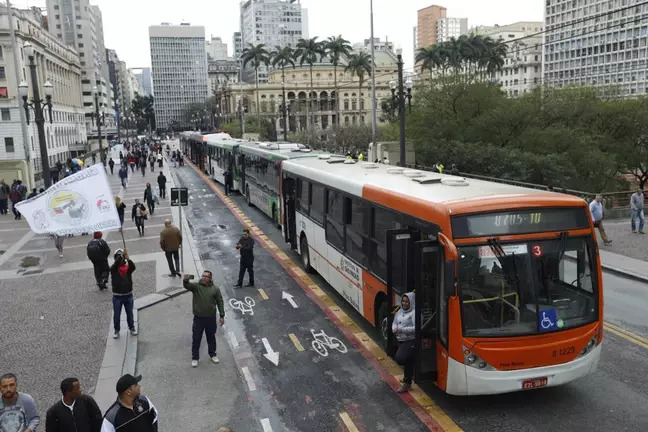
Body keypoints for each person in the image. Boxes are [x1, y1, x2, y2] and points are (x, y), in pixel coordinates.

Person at [183, 271, 225, 367]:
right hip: (199, 319)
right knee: (196, 338)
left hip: (210, 318)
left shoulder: (215, 289)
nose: (204, 278)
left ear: (210, 278)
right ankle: (195, 358)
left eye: (206, 276)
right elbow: (187, 286)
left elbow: (220, 301)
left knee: (211, 337)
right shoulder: (196, 287)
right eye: (203, 276)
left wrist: (222, 316)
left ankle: (213, 354)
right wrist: (185, 280)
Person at [110, 249, 137, 339]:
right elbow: (116, 263)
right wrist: (121, 255)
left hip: (128, 295)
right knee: (116, 315)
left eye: (122, 258)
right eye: (119, 258)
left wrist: (128, 258)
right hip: (117, 296)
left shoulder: (128, 269)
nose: (121, 260)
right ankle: (116, 330)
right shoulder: (114, 269)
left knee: (130, 313)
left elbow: (133, 267)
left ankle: (132, 328)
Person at [392, 292, 416, 393]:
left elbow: (416, 328)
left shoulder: (415, 313)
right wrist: (394, 328)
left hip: (410, 340)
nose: (404, 303)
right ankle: (407, 381)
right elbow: (394, 322)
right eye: (403, 301)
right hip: (400, 339)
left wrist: (402, 329)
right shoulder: (400, 311)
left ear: (411, 302)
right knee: (408, 361)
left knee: (400, 358)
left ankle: (407, 380)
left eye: (407, 301)